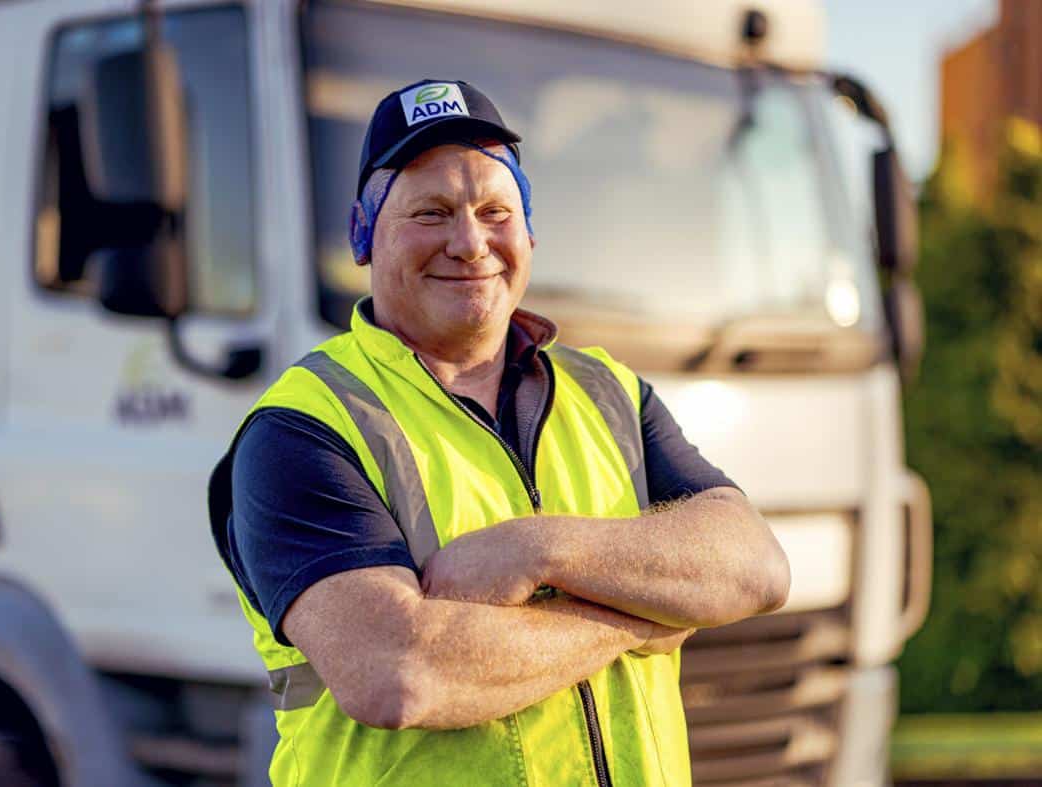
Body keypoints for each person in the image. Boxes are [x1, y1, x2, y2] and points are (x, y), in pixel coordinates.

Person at [208, 78, 790, 786]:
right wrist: (637, 617)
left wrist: (539, 549)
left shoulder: (606, 391)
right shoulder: (303, 428)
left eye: (494, 209)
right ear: (362, 233)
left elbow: (755, 565)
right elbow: (398, 671)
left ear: (529, 232)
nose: (469, 240)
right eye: (431, 211)